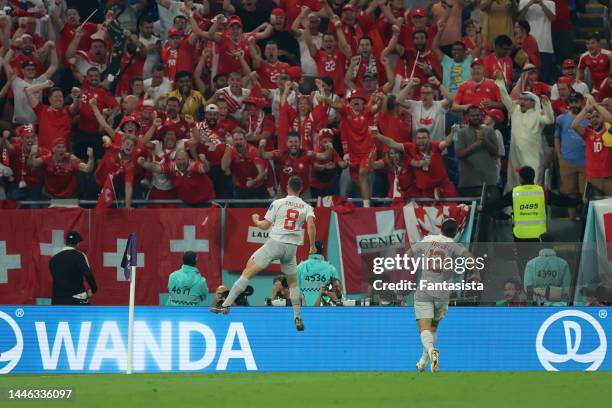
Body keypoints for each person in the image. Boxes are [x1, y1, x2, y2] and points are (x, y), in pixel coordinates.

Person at [211, 176, 316, 331]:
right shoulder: (307, 207)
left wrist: (255, 220)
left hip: (275, 244)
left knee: (247, 272)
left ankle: (225, 305)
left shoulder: (278, 203)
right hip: (291, 249)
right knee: (293, 284)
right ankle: (297, 317)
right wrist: (312, 245)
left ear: (287, 187)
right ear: (301, 189)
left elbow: (265, 226)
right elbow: (311, 225)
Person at [405, 218, 480, 372]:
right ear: (456, 232)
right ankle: (423, 361)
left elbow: (408, 254)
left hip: (425, 290)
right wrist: (476, 273)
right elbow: (470, 258)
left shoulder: (428, 240)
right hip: (442, 292)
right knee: (433, 327)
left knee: (424, 329)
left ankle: (432, 352)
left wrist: (416, 265)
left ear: (441, 229)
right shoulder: (454, 246)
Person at [49, 231, 97, 305]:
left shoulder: (53, 259)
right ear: (78, 244)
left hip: (57, 300)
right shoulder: (80, 256)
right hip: (76, 300)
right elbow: (88, 274)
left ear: (66, 242)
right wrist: (94, 289)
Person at [523, 234, 570, 306]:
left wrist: (540, 291)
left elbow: (528, 289)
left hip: (538, 306)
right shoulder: (563, 264)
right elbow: (566, 290)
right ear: (553, 244)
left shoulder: (531, 264)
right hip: (557, 306)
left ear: (540, 244)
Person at [296, 240, 339, 306]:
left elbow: (294, 290)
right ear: (322, 250)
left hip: (304, 311)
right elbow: (337, 291)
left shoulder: (299, 268)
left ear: (310, 250)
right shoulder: (331, 268)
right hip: (325, 311)